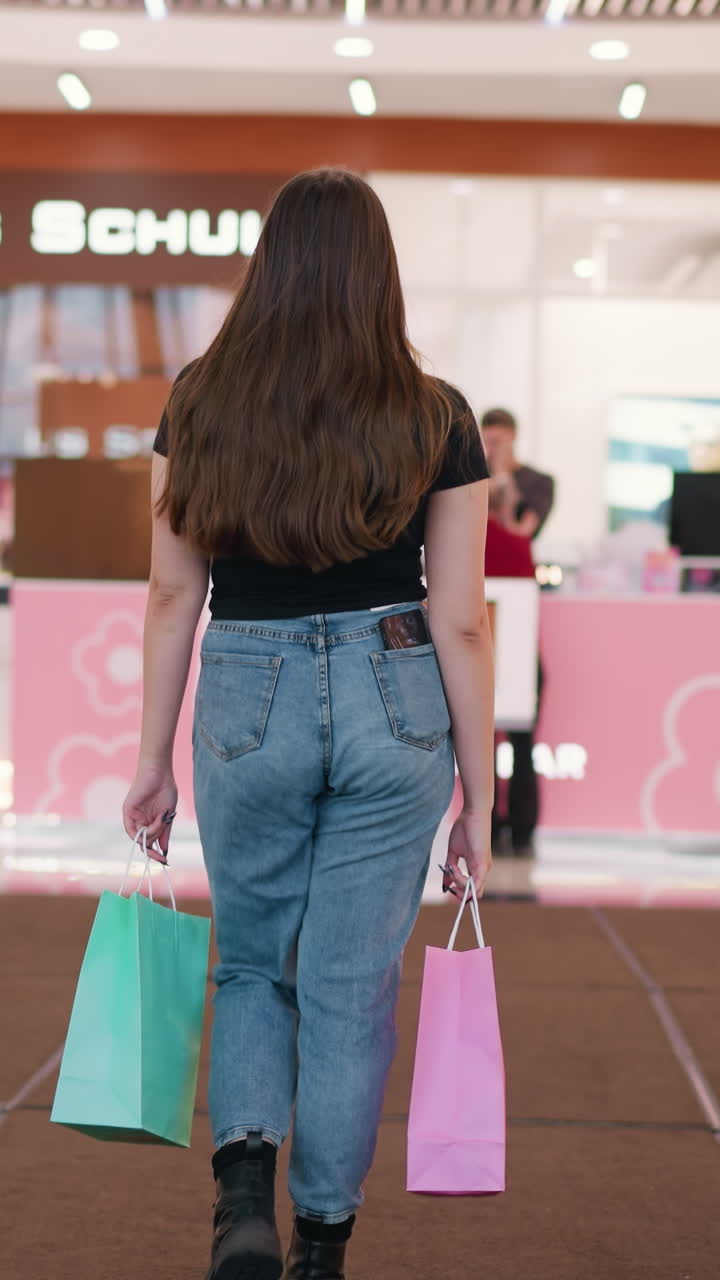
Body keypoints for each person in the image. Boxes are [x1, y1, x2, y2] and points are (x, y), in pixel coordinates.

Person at [122, 169, 495, 1280]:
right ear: (380, 272)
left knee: (252, 966)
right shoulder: (437, 413)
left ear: (269, 265)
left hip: (249, 686)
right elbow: (461, 617)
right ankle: (320, 1246)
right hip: (396, 689)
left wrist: (151, 759)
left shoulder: (199, 401)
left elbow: (172, 593)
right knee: (351, 986)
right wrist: (480, 797)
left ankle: (242, 1196)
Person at [484, 474, 541, 859]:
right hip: (518, 656)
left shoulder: (464, 545)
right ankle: (522, 830)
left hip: (478, 654)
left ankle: (485, 825)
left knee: (479, 744)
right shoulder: (518, 545)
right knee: (523, 745)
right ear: (506, 505)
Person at [480, 407, 555, 539]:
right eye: (486, 442)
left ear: (513, 436)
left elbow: (522, 535)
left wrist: (502, 474)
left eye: (496, 442)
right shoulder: (476, 476)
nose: (490, 449)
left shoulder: (540, 482)